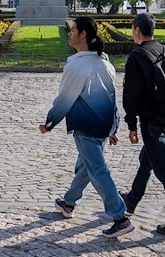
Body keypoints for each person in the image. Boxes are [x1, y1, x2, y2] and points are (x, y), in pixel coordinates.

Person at [39, 16, 133, 239]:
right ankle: (69, 203)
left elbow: (65, 99)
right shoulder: (105, 63)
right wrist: (114, 128)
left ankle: (120, 217)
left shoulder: (77, 65)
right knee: (86, 165)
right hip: (103, 125)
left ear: (83, 35)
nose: (69, 33)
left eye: (73, 30)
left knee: (97, 169)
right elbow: (111, 99)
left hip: (86, 125)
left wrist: (49, 123)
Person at [121, 12, 165, 238]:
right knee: (149, 158)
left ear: (136, 30)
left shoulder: (137, 56)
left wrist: (131, 125)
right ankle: (132, 199)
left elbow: (131, 95)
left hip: (151, 120)